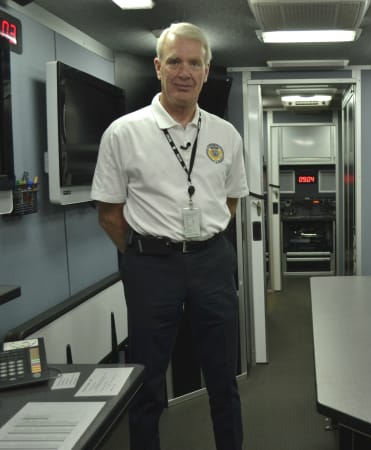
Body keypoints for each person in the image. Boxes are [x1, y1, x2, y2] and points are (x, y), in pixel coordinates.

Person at [91, 22, 248, 450]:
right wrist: (142, 253)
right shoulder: (124, 132)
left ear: (206, 70)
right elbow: (109, 213)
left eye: (194, 63)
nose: (185, 72)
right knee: (147, 382)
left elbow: (231, 200)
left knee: (223, 378)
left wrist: (203, 240)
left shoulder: (225, 135)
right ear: (158, 67)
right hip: (151, 265)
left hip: (212, 261)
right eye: (175, 61)